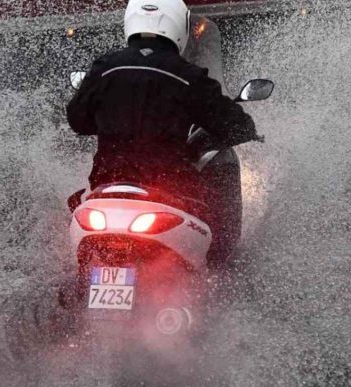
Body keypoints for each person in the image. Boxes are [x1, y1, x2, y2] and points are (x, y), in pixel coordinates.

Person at [67, 0, 260, 266]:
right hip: (169, 186)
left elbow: (77, 120)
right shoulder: (189, 76)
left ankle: (77, 293)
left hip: (108, 186)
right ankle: (220, 274)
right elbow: (233, 124)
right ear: (179, 25)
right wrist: (249, 130)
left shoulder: (105, 68)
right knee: (213, 225)